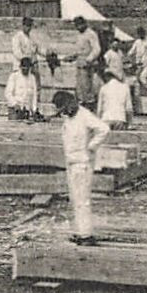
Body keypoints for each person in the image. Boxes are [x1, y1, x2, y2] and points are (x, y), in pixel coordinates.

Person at [56, 90, 109, 246]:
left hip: (82, 163)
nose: (64, 112)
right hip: (71, 162)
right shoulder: (68, 118)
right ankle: (79, 231)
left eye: (65, 108)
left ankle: (86, 234)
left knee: (82, 199)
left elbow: (104, 129)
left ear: (71, 103)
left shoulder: (84, 115)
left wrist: (91, 146)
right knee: (75, 198)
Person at [72, 16, 101, 109]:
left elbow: (96, 49)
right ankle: (81, 106)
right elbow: (79, 50)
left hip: (87, 65)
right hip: (79, 64)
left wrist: (89, 59)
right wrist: (72, 56)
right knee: (79, 88)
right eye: (76, 26)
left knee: (87, 88)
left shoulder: (91, 34)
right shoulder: (79, 35)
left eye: (79, 25)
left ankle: (89, 107)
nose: (78, 27)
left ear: (84, 24)